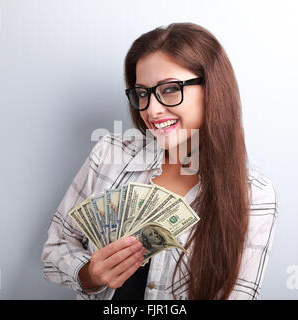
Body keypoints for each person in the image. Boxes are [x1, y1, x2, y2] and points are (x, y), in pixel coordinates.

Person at [41, 22, 278, 300]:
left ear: (212, 88)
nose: (152, 110)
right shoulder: (110, 154)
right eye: (142, 93)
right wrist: (89, 274)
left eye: (169, 89)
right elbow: (55, 247)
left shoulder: (254, 194)